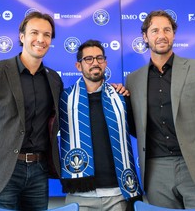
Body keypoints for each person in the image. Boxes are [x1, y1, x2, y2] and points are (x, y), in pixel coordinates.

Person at [125, 10, 195, 209]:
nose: (161, 35)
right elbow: (136, 128)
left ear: (174, 34)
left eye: (167, 29)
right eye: (155, 30)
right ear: (145, 37)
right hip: (156, 172)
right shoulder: (133, 79)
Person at [0, 12, 63, 211]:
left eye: (47, 35)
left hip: (38, 172)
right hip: (1, 171)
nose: (41, 39)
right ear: (22, 36)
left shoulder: (54, 80)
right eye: (34, 32)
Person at [59, 39, 143, 211]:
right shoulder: (63, 100)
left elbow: (140, 133)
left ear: (105, 63)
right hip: (79, 196)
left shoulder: (122, 97)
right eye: (88, 59)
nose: (95, 63)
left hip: (118, 194)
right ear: (78, 65)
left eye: (99, 58)